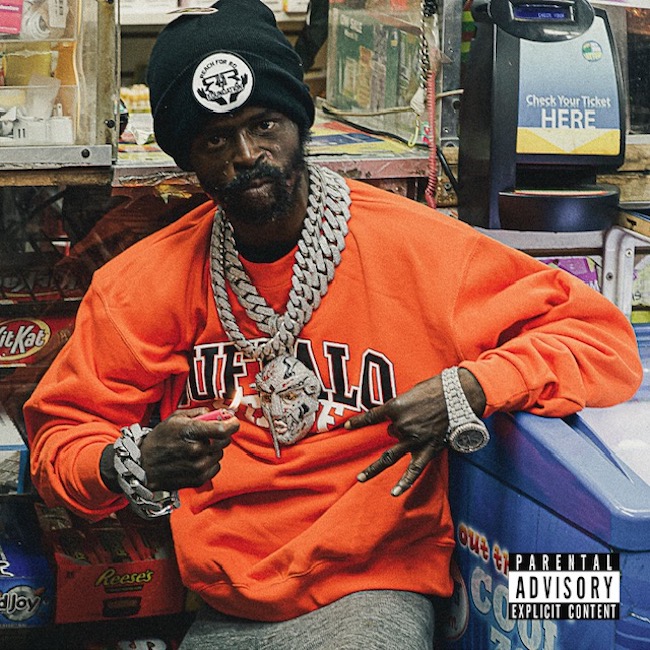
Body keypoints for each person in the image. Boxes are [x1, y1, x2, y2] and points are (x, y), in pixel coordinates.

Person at [25, 1, 643, 648]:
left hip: (372, 586)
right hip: (226, 603)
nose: (246, 155)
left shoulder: (417, 249)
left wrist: (469, 388)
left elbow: (599, 340)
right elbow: (59, 442)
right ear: (190, 160)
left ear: (299, 122)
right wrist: (129, 462)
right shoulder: (144, 284)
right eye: (214, 140)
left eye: (264, 124)